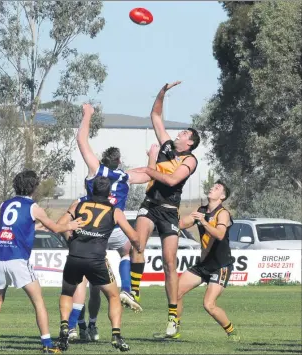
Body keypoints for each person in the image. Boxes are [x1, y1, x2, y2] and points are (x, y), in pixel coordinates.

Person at [62, 103, 152, 342]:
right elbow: (148, 174)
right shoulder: (126, 176)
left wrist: (87, 115)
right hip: (111, 226)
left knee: (79, 278)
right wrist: (152, 158)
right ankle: (127, 289)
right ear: (119, 161)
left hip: (87, 228)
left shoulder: (96, 168)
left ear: (103, 159)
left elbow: (82, 141)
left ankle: (72, 326)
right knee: (127, 250)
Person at [120, 81, 200, 338]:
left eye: (185, 133)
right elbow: (155, 115)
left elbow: (172, 181)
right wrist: (162, 93)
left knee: (169, 263)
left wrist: (147, 168)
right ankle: (133, 292)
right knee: (137, 244)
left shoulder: (190, 160)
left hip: (169, 211)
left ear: (189, 143)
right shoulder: (166, 145)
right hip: (150, 205)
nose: (179, 134)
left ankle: (173, 319)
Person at [0, 170, 83, 354]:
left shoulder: (5, 204)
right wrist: (70, 225)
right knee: (38, 302)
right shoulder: (34, 207)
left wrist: (38, 226)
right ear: (33, 187)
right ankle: (47, 345)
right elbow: (57, 228)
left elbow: (18, 225)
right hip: (18, 259)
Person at [57, 176, 141, 352]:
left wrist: (71, 240)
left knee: (67, 292)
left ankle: (65, 327)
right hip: (96, 259)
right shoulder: (115, 211)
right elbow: (133, 237)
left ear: (91, 190)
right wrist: (139, 246)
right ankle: (116, 336)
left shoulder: (78, 205)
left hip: (75, 256)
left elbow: (60, 225)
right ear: (110, 193)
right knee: (113, 296)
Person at [174, 181, 240, 341]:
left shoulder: (222, 213)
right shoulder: (201, 210)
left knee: (209, 305)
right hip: (203, 264)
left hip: (220, 266)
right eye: (213, 186)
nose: (212, 188)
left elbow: (220, 234)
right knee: (175, 293)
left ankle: (232, 332)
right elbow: (181, 224)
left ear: (222, 196)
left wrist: (203, 221)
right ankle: (173, 329)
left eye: (217, 188)